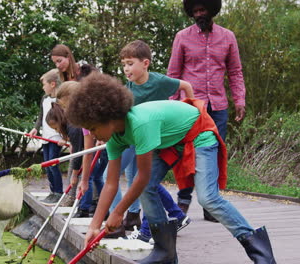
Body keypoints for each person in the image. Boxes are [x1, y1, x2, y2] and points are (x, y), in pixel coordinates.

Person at [66, 72, 276, 264]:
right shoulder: (114, 139)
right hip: (172, 141)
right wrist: (94, 226)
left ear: (109, 117)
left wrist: (118, 213)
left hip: (199, 132)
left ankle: (260, 252)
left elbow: (142, 176)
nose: (92, 135)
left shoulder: (140, 123)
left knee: (208, 198)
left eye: (93, 128)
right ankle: (165, 253)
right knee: (148, 187)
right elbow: (111, 183)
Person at [167, 0, 246, 222]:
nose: (199, 14)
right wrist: (171, 104)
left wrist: (239, 99)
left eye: (202, 10)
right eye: (195, 11)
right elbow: (173, 74)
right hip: (190, 107)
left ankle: (210, 204)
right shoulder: (182, 37)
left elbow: (235, 71)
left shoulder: (228, 36)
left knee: (213, 155)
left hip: (218, 106)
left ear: (211, 10)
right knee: (187, 153)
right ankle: (183, 201)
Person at [106, 40, 192, 241]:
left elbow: (186, 86)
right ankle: (176, 215)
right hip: (139, 140)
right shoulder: (128, 90)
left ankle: (148, 231)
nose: (126, 68)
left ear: (145, 63)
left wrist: (188, 107)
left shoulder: (159, 81)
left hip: (160, 139)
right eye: (124, 64)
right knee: (142, 182)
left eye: (130, 63)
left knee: (144, 182)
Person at [56, 81, 106, 216]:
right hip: (97, 149)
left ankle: (85, 208)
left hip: (107, 147)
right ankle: (103, 209)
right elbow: (85, 150)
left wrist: (76, 175)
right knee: (96, 177)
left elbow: (82, 152)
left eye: (65, 106)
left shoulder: (85, 115)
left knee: (91, 177)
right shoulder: (82, 118)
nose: (65, 111)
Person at [29, 69, 64, 206]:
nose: (43, 87)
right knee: (47, 165)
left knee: (53, 165)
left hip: (56, 137)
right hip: (46, 137)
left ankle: (58, 193)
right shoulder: (45, 99)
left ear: (53, 84)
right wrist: (35, 128)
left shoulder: (59, 99)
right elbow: (41, 116)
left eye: (44, 84)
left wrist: (64, 137)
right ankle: (52, 191)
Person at [45, 102, 83, 196]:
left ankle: (86, 206)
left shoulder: (73, 128)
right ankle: (73, 198)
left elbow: (78, 155)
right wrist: (68, 142)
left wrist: (74, 175)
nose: (56, 131)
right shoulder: (70, 128)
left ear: (60, 121)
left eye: (56, 128)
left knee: (90, 178)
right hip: (84, 152)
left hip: (95, 152)